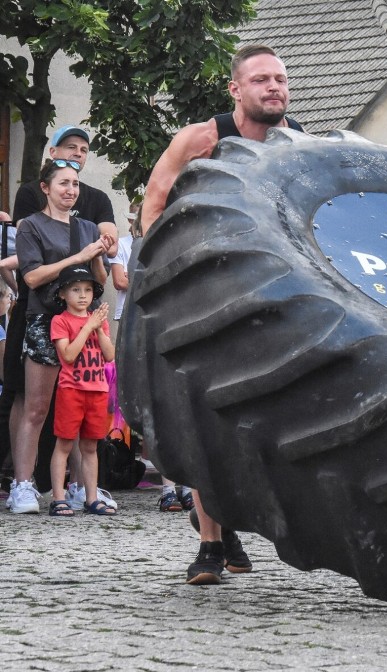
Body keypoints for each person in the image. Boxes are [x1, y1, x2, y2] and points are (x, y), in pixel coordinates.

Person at [141, 44, 303, 584]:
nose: (274, 87)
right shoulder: (201, 139)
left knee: (259, 426)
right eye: (261, 80)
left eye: (280, 79)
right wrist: (167, 272)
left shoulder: (299, 147)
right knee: (204, 419)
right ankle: (210, 543)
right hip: (202, 298)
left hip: (268, 302)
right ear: (236, 89)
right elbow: (155, 203)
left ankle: (224, 518)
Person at [1, 125, 118, 507]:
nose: (71, 189)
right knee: (36, 407)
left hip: (83, 323)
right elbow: (31, 277)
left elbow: (99, 280)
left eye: (75, 185)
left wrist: (97, 257)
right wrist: (78, 258)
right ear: (46, 187)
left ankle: (84, 488)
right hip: (43, 321)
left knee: (80, 408)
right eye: (63, 183)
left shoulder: (86, 227)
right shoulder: (32, 225)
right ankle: (22, 484)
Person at [48, 266, 116, 517]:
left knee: (90, 447)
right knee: (64, 444)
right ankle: (58, 498)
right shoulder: (60, 321)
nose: (83, 295)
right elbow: (67, 355)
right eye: (75, 289)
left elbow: (109, 355)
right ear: (63, 294)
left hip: (97, 390)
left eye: (87, 290)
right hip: (71, 390)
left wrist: (98, 327)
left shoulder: (99, 322)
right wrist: (88, 327)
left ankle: (91, 497)